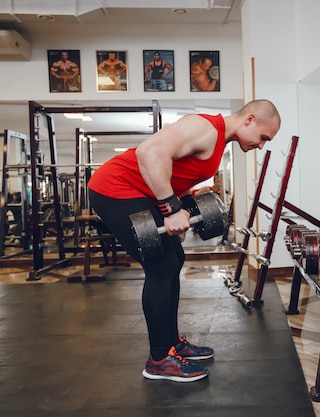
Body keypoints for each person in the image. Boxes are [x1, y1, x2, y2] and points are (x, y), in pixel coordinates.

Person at [87, 99, 281, 382]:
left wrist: (184, 196)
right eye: (264, 137)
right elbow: (149, 152)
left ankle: (170, 344)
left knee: (174, 259)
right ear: (250, 119)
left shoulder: (218, 141)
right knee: (161, 265)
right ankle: (159, 359)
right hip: (115, 188)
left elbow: (173, 167)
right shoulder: (205, 127)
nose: (262, 145)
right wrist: (170, 208)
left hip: (139, 193)